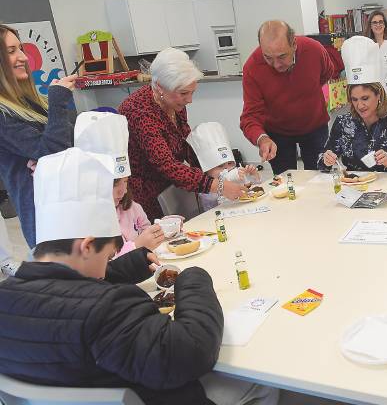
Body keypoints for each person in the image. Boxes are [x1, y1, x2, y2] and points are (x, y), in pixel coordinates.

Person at [0, 147, 279, 405]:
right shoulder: (107, 309)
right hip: (158, 395)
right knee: (262, 382)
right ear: (87, 246)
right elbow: (192, 352)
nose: (106, 266)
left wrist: (126, 266)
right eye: (109, 256)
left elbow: (65, 293)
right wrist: (193, 279)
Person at [119, 47, 245, 222]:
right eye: (184, 93)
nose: (189, 100)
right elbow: (168, 165)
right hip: (146, 193)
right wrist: (218, 185)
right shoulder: (139, 112)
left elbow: (186, 142)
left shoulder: (173, 103)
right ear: (160, 87)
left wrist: (224, 172)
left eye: (192, 92)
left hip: (170, 185)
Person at [0, 23, 78, 247]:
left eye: (21, 49)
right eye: (11, 51)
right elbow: (52, 150)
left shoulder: (31, 102)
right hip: (46, 222)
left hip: (71, 206)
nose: (23, 57)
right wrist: (58, 100)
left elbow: (66, 142)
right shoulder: (3, 116)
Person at [240, 20, 335, 175]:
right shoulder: (252, 67)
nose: (276, 65)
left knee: (320, 177)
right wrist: (262, 139)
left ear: (294, 44)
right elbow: (250, 116)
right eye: (268, 58)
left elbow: (326, 73)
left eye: (282, 56)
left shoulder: (314, 49)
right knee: (285, 181)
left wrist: (307, 93)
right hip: (277, 133)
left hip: (315, 126)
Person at [73, 111, 164, 257]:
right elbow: (104, 266)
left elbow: (146, 231)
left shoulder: (131, 208)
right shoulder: (85, 223)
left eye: (126, 181)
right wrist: (137, 246)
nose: (122, 191)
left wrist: (158, 230)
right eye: (114, 184)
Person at [319, 36, 387, 173]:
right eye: (354, 99)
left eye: (365, 98)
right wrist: (326, 160)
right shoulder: (343, 123)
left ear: (378, 95)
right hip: (353, 187)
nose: (360, 105)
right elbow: (321, 163)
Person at [187, 122, 260, 211]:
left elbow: (252, 192)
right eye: (220, 166)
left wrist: (252, 177)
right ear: (205, 170)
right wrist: (227, 181)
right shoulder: (205, 190)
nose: (227, 168)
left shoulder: (236, 175)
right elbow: (214, 198)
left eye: (230, 163)